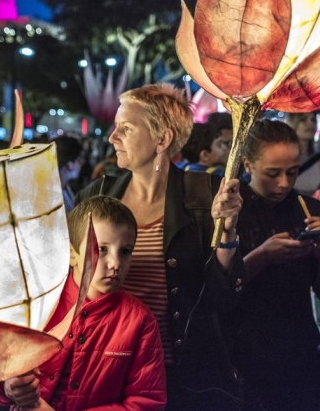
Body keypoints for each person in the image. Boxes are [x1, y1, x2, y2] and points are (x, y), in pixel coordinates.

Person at [75, 84, 245, 410]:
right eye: (115, 128)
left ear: (162, 140)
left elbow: (223, 300)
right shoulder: (96, 199)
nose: (113, 137)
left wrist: (228, 230)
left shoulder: (207, 195)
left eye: (125, 128)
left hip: (182, 374)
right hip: (109, 369)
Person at [0, 196, 167, 410]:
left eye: (125, 251)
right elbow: (4, 369)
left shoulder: (140, 321)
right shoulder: (40, 304)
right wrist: (8, 386)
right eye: (101, 249)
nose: (115, 263)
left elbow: (146, 402)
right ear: (71, 253)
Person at [224, 119, 320, 411]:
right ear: (248, 165)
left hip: (300, 350)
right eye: (272, 173)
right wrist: (261, 257)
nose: (284, 183)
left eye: (292, 172)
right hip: (244, 352)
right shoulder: (229, 209)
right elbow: (216, 290)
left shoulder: (309, 208)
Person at [286, 112, 320, 195]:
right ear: (293, 123)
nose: (311, 123)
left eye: (313, 120)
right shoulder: (283, 158)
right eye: (303, 119)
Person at [50, 136, 84, 212]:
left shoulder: (65, 188)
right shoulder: (53, 197)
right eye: (79, 160)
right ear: (69, 165)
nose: (81, 163)